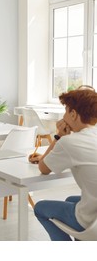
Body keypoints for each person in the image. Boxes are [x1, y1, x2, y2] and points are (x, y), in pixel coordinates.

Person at [29, 89, 97, 240]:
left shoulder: (69, 142)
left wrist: (59, 136)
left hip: (91, 221)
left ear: (73, 114)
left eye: (65, 111)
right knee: (70, 200)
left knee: (40, 208)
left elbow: (43, 168)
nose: (64, 116)